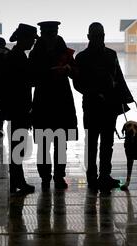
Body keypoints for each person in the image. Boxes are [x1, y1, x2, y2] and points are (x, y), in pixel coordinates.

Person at [73, 22, 134, 191]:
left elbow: (119, 78)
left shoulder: (100, 56)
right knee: (93, 143)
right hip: (94, 105)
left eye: (101, 36)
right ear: (89, 37)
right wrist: (94, 92)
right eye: (96, 36)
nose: (99, 39)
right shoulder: (83, 57)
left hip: (106, 106)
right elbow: (77, 83)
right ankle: (94, 177)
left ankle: (103, 176)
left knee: (105, 143)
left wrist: (126, 98)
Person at [29, 21, 78, 190]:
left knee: (55, 141)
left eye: (53, 32)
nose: (51, 35)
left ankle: (55, 176)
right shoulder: (40, 51)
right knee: (50, 141)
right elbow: (31, 76)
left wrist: (68, 69)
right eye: (49, 32)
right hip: (55, 99)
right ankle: (49, 176)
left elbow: (75, 70)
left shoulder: (42, 50)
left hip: (49, 100)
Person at [0, 24, 38, 194]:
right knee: (17, 146)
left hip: (16, 108)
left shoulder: (15, 55)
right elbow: (25, 82)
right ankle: (17, 182)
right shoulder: (17, 57)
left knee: (18, 146)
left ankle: (17, 181)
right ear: (24, 39)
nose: (33, 43)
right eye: (31, 39)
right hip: (18, 109)